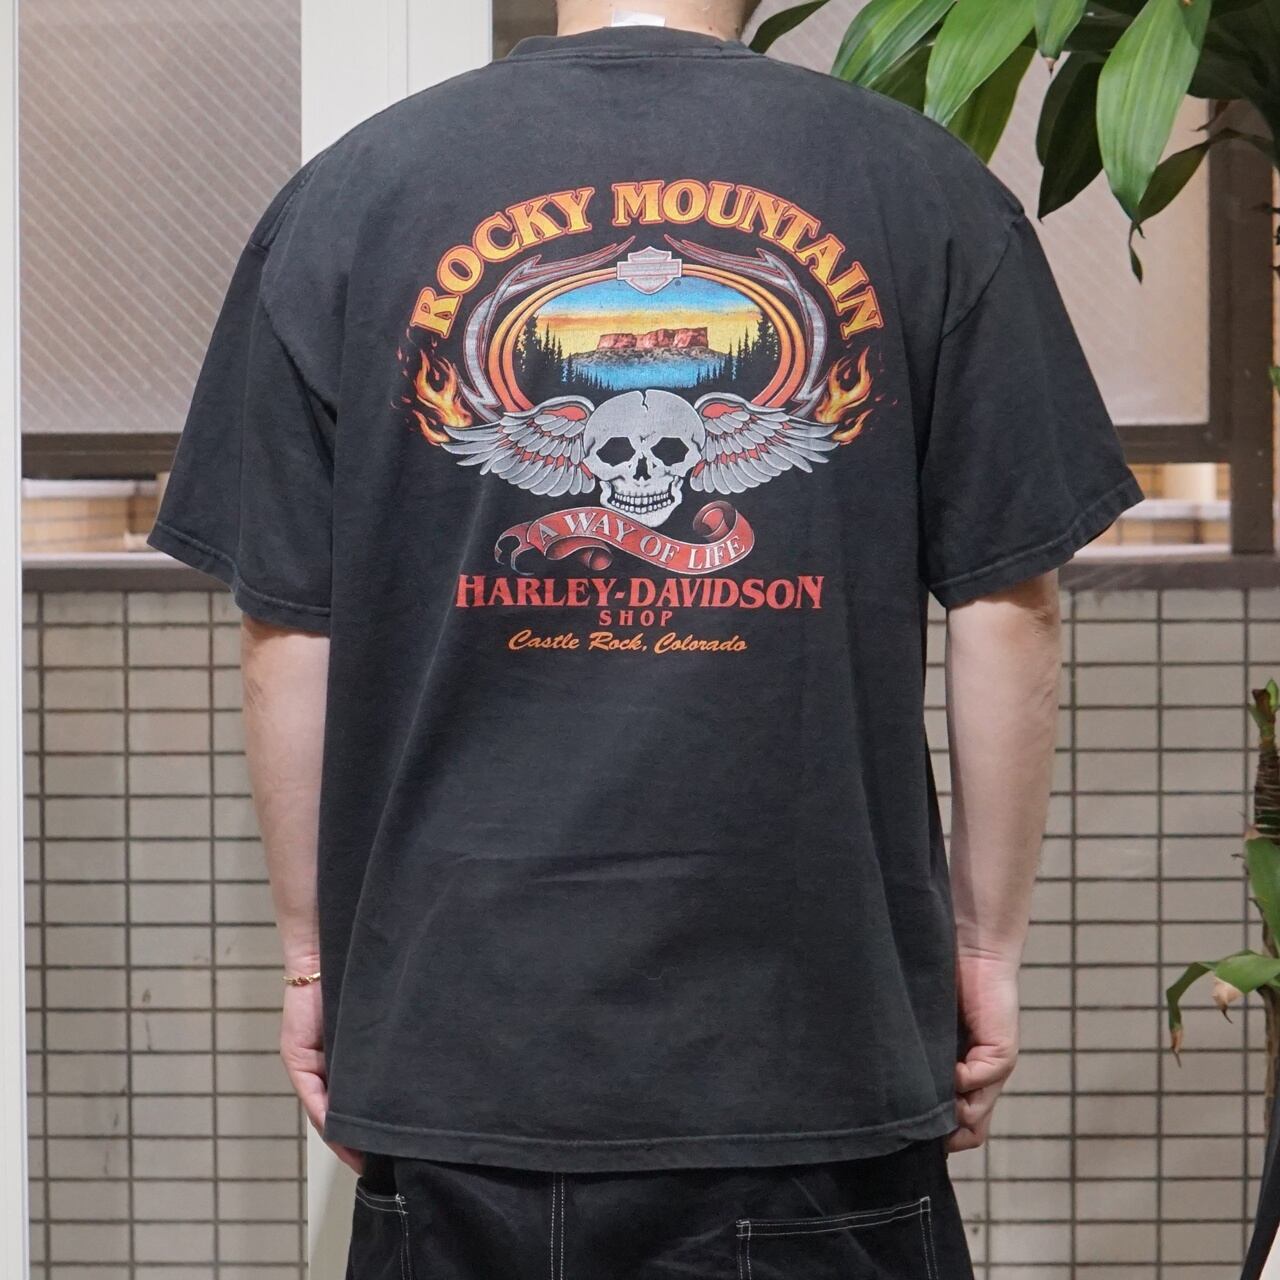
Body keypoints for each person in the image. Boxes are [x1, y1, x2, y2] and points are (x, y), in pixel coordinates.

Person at [148, 0, 1143, 1275]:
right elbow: (1009, 608)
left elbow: (287, 630)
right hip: (809, 1051)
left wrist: (310, 964)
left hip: (460, 1046)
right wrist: (980, 950)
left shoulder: (352, 196)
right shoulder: (920, 188)